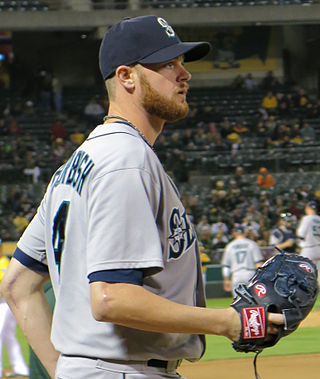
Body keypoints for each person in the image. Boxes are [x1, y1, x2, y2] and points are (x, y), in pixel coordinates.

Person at [1, 15, 283, 379]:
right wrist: (227, 322)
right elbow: (111, 297)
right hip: (124, 371)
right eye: (168, 64)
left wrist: (65, 371)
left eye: (182, 63)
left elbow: (17, 284)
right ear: (126, 77)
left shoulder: (76, 166)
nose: (185, 74)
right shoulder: (125, 160)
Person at [0, 239, 29, 378]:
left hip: (4, 303)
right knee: (8, 336)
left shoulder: (3, 262)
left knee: (3, 335)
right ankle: (20, 367)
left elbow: (3, 287)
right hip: (4, 304)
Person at [221, 226, 264, 296]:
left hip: (236, 274)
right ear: (244, 233)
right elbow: (258, 263)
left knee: (237, 302)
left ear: (234, 234)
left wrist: (226, 279)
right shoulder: (252, 244)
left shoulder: (230, 246)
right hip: (250, 274)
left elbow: (226, 266)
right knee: (253, 301)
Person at [296, 201, 320, 283]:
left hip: (309, 248)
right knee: (319, 273)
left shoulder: (307, 218)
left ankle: (305, 292)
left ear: (308, 208)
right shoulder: (319, 218)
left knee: (302, 271)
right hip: (318, 248)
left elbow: (300, 234)